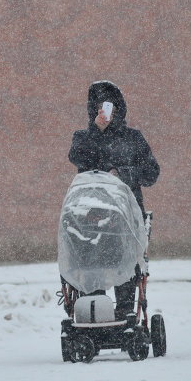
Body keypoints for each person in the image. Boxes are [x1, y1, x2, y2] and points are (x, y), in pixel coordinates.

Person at [68, 80, 160, 319]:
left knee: (125, 262)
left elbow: (151, 173)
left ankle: (124, 311)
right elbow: (78, 158)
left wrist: (122, 174)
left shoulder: (133, 138)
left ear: (118, 108)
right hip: (92, 216)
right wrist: (96, 132)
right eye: (98, 107)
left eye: (108, 106)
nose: (103, 112)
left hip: (127, 216)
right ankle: (94, 310)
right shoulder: (83, 138)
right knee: (91, 264)